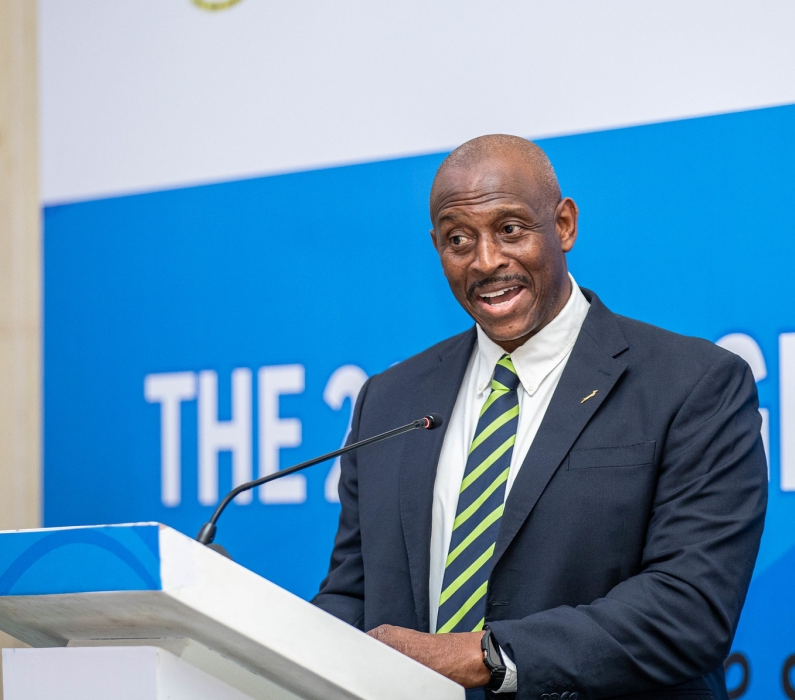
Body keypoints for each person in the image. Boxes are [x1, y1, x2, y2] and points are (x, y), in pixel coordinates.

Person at [312, 134, 767, 699]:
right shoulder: (391, 398)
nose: (486, 261)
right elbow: (353, 594)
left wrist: (485, 656)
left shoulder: (693, 384)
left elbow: (688, 610)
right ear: (436, 247)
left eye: (510, 230)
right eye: (458, 239)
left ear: (565, 225)